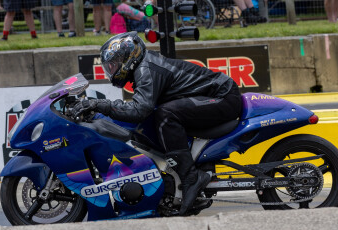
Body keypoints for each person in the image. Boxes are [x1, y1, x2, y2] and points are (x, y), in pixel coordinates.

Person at [70, 32, 242, 216]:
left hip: (223, 97)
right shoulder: (143, 67)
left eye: (114, 64)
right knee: (160, 115)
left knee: (166, 114)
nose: (111, 70)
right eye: (109, 66)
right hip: (211, 97)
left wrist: (100, 104)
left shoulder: (146, 70)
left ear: (128, 58)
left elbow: (139, 110)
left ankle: (191, 178)